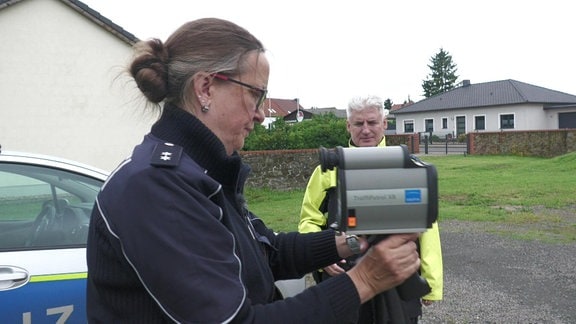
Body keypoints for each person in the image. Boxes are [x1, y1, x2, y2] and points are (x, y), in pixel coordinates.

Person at [86, 18, 422, 323]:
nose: (262, 113)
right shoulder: (156, 187)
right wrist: (365, 280)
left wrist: (354, 241)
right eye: (256, 95)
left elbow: (268, 252)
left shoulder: (201, 173)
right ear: (206, 89)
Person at [299, 95, 443, 323]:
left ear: (384, 123)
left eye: (372, 122)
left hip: (398, 274)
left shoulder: (408, 166)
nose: (365, 130)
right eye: (358, 123)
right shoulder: (327, 171)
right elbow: (309, 219)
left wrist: (431, 283)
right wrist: (321, 256)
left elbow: (427, 228)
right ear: (348, 126)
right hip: (345, 277)